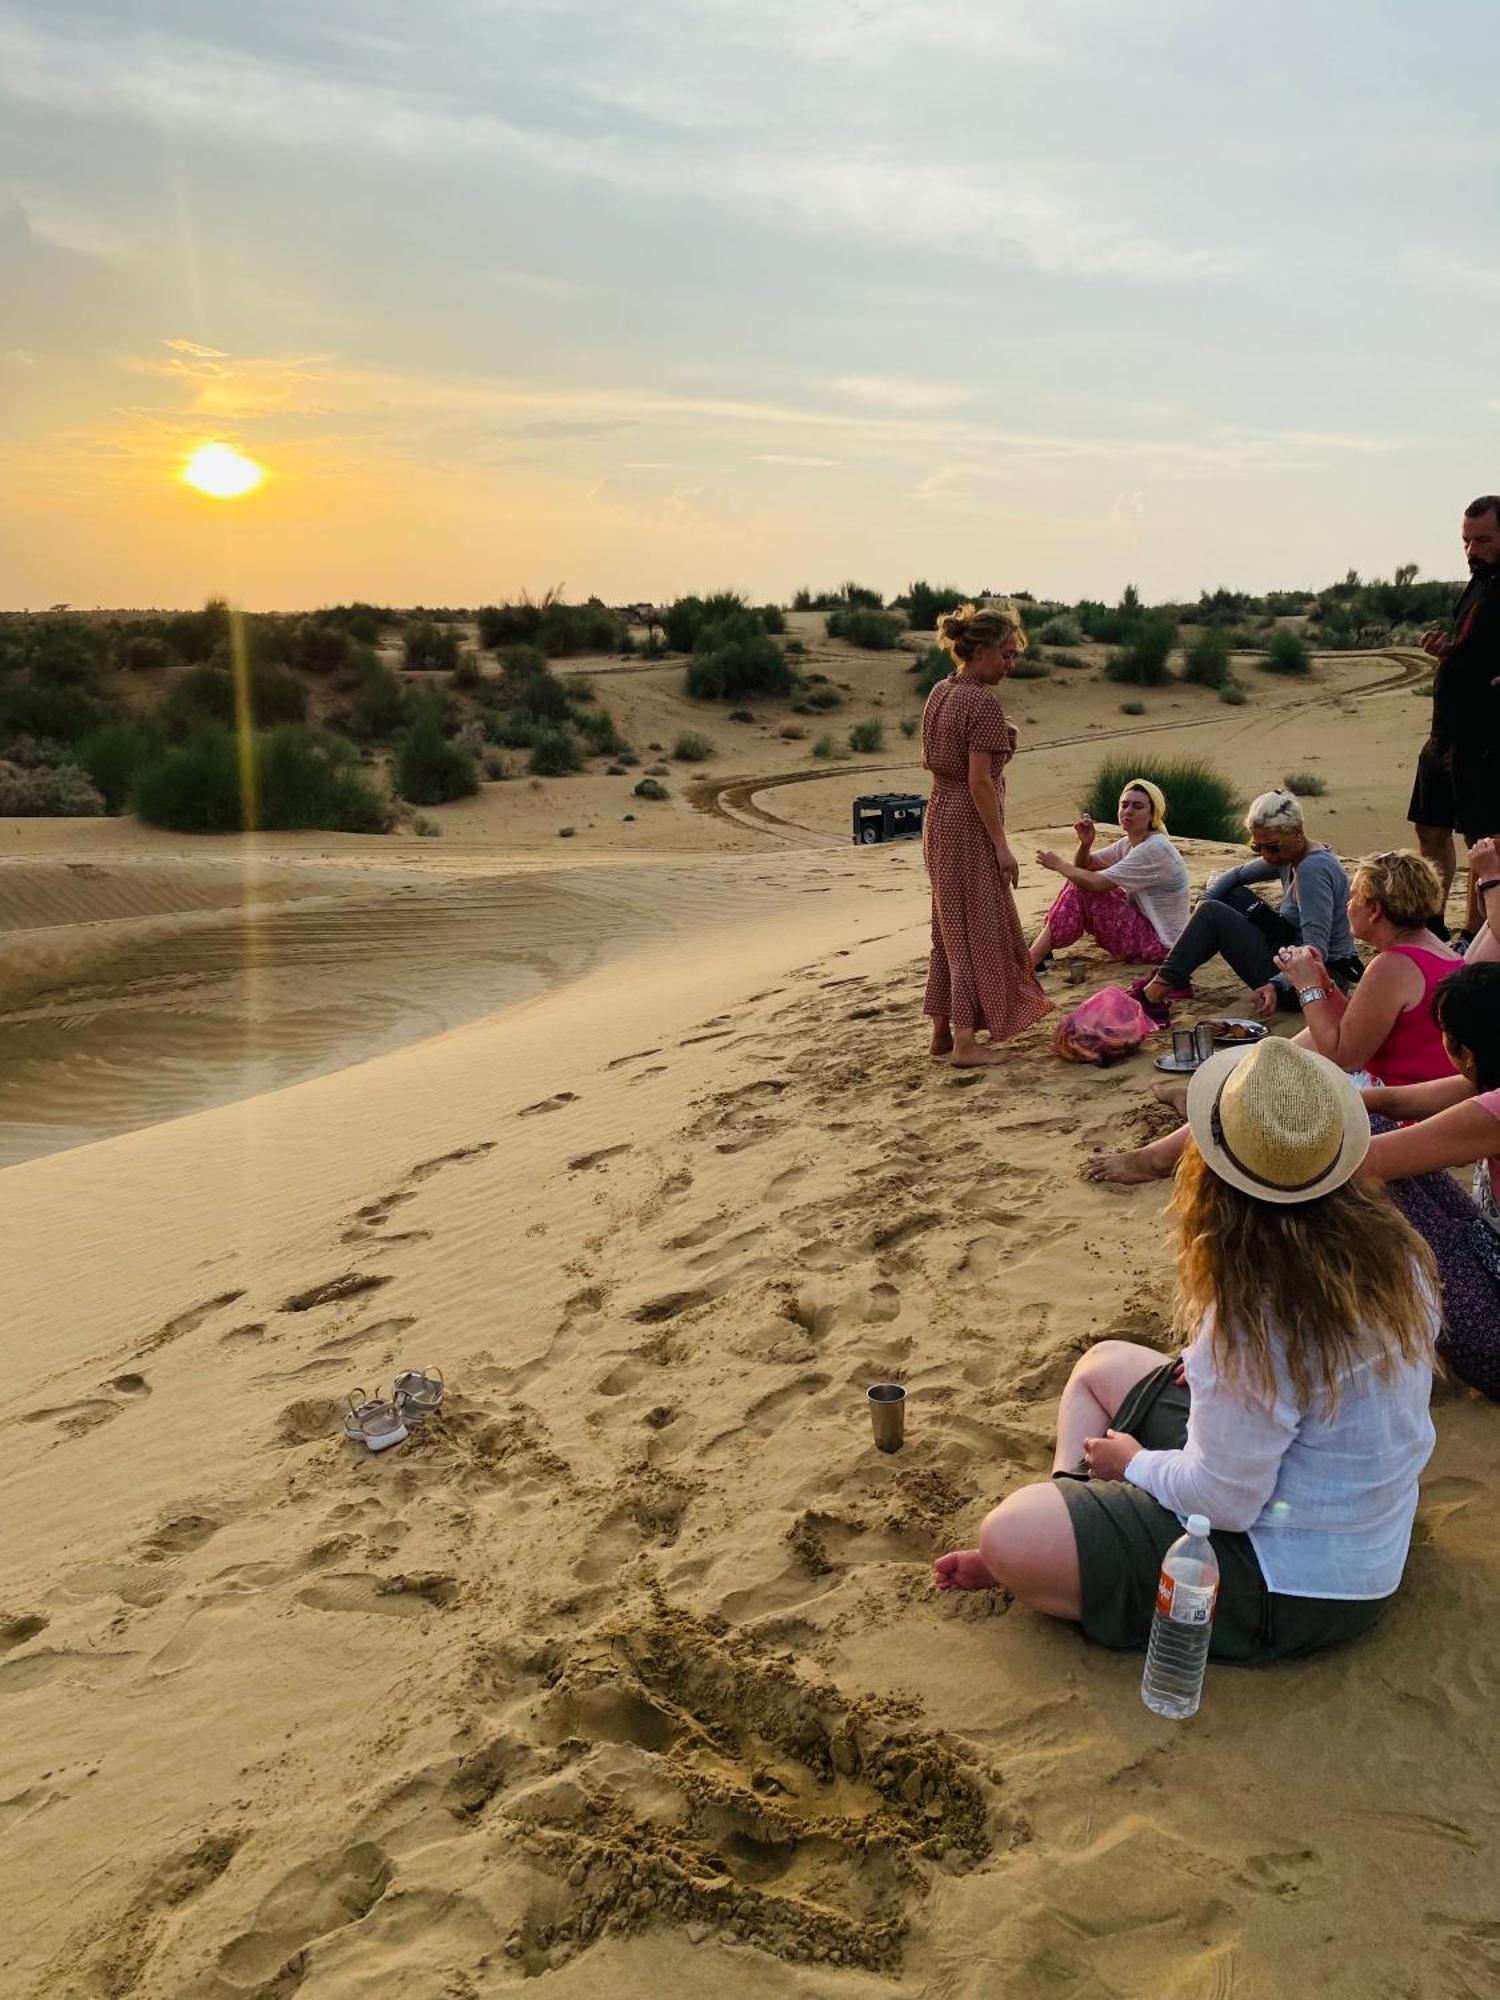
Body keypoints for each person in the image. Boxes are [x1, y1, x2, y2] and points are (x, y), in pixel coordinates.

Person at [936, 1039, 1439, 1663]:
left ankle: (1067, 1539)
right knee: (1102, 1367)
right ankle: (1074, 1499)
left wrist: (1135, 1464)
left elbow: (1225, 1504)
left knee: (1011, 1533)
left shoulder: (1253, 1318)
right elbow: (1293, 1396)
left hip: (1293, 1584)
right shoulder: (1395, 1253)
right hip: (1359, 1523)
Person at [1084, 848, 1461, 1185]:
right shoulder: (1434, 950)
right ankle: (1208, 1109)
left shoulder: (1392, 966)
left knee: (1275, 1071)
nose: (1348, 907)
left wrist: (1306, 986)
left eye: (1354, 899)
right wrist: (1325, 984)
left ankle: (1169, 1150)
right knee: (1283, 1052)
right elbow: (1366, 1030)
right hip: (1422, 1095)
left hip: (1405, 1108)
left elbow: (1345, 1056)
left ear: (1374, 909)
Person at [1359, 961, 1500, 1399]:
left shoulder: (1493, 1111)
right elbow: (1396, 1101)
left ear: (1467, 1053)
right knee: (1375, 1123)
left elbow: (1365, 1163)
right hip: (1491, 1257)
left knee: (1370, 1172)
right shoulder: (1487, 1083)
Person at [920, 602, 1051, 1066]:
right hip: (967, 823)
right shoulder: (981, 701)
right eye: (1006, 655)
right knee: (975, 929)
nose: (1011, 665)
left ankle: (940, 1030)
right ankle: (964, 1041)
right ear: (979, 652)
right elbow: (978, 782)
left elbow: (946, 761)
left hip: (938, 816)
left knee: (948, 925)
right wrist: (1001, 845)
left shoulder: (941, 691)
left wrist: (1003, 742)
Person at [1129, 789, 1361, 1027]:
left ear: (1297, 832)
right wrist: (1202, 903)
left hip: (1315, 983)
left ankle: (1152, 996)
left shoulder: (1313, 870)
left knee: (1212, 914)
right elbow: (1237, 875)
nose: (1265, 855)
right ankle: (1173, 976)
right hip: (1289, 952)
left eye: (1271, 847)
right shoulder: (1291, 855)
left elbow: (1315, 952)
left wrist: (1276, 985)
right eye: (1257, 847)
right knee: (1226, 897)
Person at [1408, 496, 1500, 940]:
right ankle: (1431, 924)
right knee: (1430, 827)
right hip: (1443, 731)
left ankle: (1474, 937)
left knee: (1484, 844)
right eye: (1466, 540)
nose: (1471, 550)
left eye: (1483, 540)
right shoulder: (1479, 582)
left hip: (1485, 737)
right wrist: (1448, 650)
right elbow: (1475, 646)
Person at [1028, 779, 1190, 970]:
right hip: (1148, 930)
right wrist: (1085, 844)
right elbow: (1086, 866)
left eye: (1137, 807)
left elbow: (1096, 883)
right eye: (1124, 805)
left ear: (1152, 815)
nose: (1128, 811)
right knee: (1079, 881)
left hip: (1161, 945)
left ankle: (1031, 960)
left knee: (1081, 885)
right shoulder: (1130, 842)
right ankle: (1039, 951)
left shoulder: (1154, 849)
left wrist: (1058, 864)